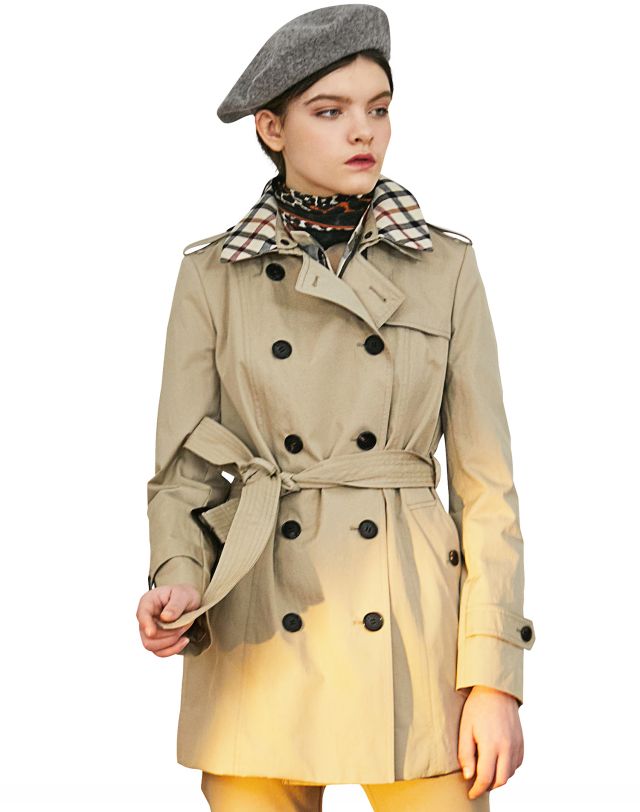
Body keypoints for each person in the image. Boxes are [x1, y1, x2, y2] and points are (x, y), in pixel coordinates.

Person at [136, 5, 536, 810]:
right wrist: (177, 579)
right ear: (271, 128)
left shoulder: (445, 267)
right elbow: (184, 475)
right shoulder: (213, 276)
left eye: (378, 108)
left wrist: (495, 676)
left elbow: (487, 487)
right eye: (330, 111)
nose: (365, 131)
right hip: (258, 622)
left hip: (413, 625)